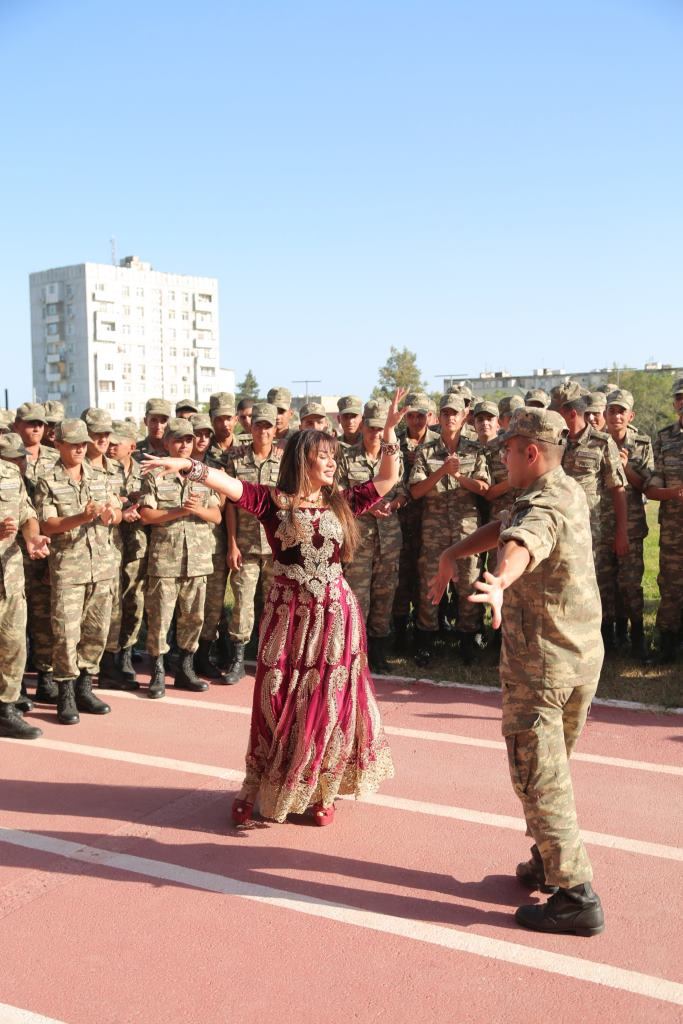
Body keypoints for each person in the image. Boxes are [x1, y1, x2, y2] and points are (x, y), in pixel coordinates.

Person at [140, 388, 406, 827]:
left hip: (336, 617)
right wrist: (185, 465)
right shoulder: (272, 502)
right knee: (279, 699)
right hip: (289, 617)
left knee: (329, 701)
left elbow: (387, 479)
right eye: (324, 456)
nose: (332, 462)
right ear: (303, 460)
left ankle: (321, 788)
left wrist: (391, 433)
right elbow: (225, 484)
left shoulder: (343, 502)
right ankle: (268, 783)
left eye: (333, 455)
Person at [428, 407, 605, 936]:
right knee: (548, 770)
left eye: (507, 448)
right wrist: (453, 552)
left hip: (543, 666)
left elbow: (524, 541)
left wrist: (501, 581)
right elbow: (508, 526)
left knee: (538, 778)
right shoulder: (562, 488)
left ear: (530, 452)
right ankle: (549, 859)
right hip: (577, 658)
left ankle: (576, 895)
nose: (501, 455)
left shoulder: (543, 506)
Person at [34, 419, 122, 725]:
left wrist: (113, 515)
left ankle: (86, 687)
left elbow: (117, 513)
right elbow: (48, 525)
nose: (80, 448)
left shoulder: (100, 475)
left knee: (96, 632)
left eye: (83, 443)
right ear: (58, 444)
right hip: (69, 569)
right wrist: (80, 517)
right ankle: (66, 694)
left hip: (102, 566)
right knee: (66, 635)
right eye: (73, 444)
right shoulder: (48, 479)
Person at [138, 418, 223, 698]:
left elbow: (217, 515)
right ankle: (158, 672)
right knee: (161, 618)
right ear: (167, 443)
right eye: (178, 440)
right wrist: (179, 511)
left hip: (198, 559)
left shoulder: (203, 474)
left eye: (188, 440)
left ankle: (185, 669)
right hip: (166, 560)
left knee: (193, 618)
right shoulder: (155, 474)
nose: (184, 445)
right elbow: (146, 515)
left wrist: (197, 510)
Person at [409, 394, 490, 666]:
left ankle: (468, 639)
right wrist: (442, 471)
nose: (450, 417)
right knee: (431, 584)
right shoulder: (426, 451)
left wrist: (459, 477)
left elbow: (484, 488)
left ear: (463, 416)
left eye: (455, 413)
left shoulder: (474, 450)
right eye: (445, 413)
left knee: (468, 582)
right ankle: (426, 641)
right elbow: (417, 491)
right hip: (434, 531)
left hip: (466, 529)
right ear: (438, 417)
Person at [338, 400, 407, 673]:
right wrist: (368, 505)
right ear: (363, 426)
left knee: (384, 594)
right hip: (359, 538)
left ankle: (378, 651)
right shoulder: (345, 457)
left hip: (389, 538)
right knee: (357, 597)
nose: (376, 434)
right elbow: (338, 496)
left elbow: (404, 491)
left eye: (381, 429)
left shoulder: (393, 456)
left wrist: (394, 504)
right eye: (372, 427)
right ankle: (354, 653)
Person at [223, 403, 283, 684]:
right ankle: (237, 659)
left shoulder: (285, 460)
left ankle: (272, 659)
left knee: (275, 604)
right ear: (251, 427)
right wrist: (232, 544)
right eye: (258, 425)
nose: (263, 431)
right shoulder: (235, 459)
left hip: (276, 547)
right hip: (246, 546)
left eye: (268, 426)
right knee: (243, 604)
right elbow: (230, 506)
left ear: (275, 429)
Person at [0, 433, 50, 739]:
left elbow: (27, 513)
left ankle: (5, 709)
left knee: (14, 643)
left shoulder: (9, 474)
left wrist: (32, 538)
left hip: (9, 574)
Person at [599, 389, 653, 660]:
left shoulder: (641, 444)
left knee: (630, 585)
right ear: (605, 415)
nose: (616, 415)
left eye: (622, 411)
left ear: (630, 415)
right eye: (612, 410)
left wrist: (625, 467)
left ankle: (637, 638)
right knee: (603, 584)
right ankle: (607, 640)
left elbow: (648, 486)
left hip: (630, 527)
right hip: (600, 526)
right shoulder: (595, 442)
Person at [392, 393, 439, 654]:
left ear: (430, 416)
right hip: (401, 519)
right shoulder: (395, 442)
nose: (416, 419)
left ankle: (426, 637)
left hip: (431, 519)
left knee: (426, 579)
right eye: (411, 414)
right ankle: (399, 634)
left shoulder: (439, 443)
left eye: (421, 414)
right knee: (401, 577)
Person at [645, 377, 683, 663]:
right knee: (670, 584)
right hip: (673, 527)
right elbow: (653, 482)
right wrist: (668, 492)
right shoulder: (665, 437)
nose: (682, 402)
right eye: (679, 398)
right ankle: (667, 645)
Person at [191, 412, 230, 677]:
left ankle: (204, 655)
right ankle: (184, 656)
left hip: (213, 544)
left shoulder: (217, 468)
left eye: (206, 434)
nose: (202, 439)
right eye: (197, 434)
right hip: (184, 547)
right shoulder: (177, 467)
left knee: (213, 602)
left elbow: (222, 505)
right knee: (189, 604)